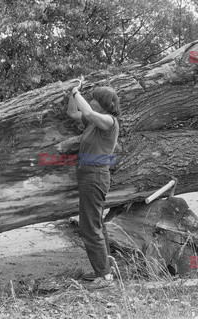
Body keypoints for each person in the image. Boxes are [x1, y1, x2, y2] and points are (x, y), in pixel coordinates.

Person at [66, 79, 120, 289]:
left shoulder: (109, 122)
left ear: (103, 103)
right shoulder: (94, 123)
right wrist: (73, 95)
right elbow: (73, 113)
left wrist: (76, 91)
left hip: (95, 176)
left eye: (94, 99)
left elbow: (87, 112)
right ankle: (105, 269)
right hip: (89, 175)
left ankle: (104, 278)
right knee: (95, 223)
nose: (91, 102)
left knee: (89, 227)